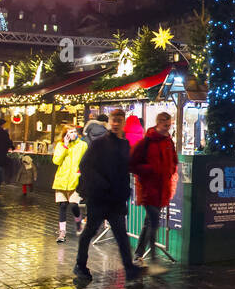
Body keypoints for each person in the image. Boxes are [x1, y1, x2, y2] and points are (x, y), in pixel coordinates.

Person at [74, 109, 146, 280]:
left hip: (115, 199)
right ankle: (80, 265)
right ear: (109, 122)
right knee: (89, 231)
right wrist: (101, 184)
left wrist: (124, 188)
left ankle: (129, 268)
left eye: (119, 120)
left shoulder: (124, 144)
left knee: (121, 234)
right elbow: (84, 165)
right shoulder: (99, 143)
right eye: (113, 120)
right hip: (99, 198)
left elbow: (125, 168)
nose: (115, 123)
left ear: (123, 123)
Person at [129, 112, 177, 259]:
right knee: (154, 221)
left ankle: (139, 254)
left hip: (162, 188)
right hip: (149, 189)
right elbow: (132, 163)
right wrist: (149, 170)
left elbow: (173, 160)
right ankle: (153, 257)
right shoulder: (146, 142)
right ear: (158, 123)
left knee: (150, 222)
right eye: (164, 124)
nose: (167, 127)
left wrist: (170, 171)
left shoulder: (168, 141)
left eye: (169, 125)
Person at [51, 124, 86, 243]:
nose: (73, 134)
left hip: (75, 180)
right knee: (62, 205)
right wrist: (65, 146)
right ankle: (62, 232)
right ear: (65, 134)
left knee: (74, 204)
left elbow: (87, 160)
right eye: (70, 132)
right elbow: (56, 161)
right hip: (62, 179)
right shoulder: (60, 146)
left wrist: (81, 171)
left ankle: (78, 221)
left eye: (74, 131)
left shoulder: (82, 145)